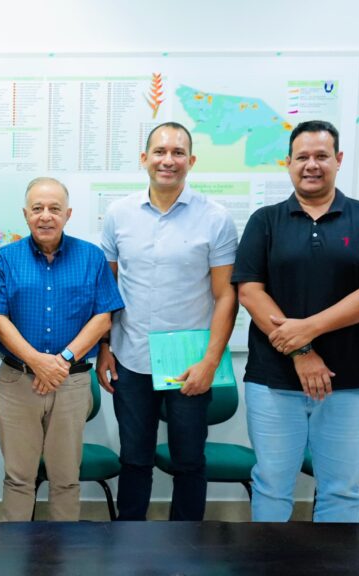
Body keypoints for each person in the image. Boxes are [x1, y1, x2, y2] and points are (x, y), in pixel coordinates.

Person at [233, 120, 359, 522]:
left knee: (341, 491)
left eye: (321, 156)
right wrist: (301, 352)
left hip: (351, 380)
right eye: (302, 157)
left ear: (338, 160)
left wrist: (308, 328)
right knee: (272, 485)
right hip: (274, 380)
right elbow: (250, 293)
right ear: (288, 163)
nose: (312, 165)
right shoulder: (266, 220)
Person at [96, 122, 238, 521]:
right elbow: (107, 288)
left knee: (189, 460)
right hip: (131, 355)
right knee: (135, 458)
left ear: (191, 161)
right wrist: (104, 348)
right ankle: (130, 544)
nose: (168, 160)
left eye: (178, 153)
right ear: (144, 159)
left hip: (189, 362)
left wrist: (211, 361)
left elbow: (226, 294)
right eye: (159, 151)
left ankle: (186, 549)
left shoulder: (216, 218)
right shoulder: (118, 214)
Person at [0, 176, 123, 521]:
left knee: (66, 480)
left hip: (72, 382)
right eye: (37, 208)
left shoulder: (91, 257)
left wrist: (61, 361)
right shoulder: (5, 259)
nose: (45, 216)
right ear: (25, 214)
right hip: (18, 381)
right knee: (19, 479)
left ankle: (63, 562)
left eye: (54, 209)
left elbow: (103, 317)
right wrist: (37, 362)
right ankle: (15, 558)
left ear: (68, 214)